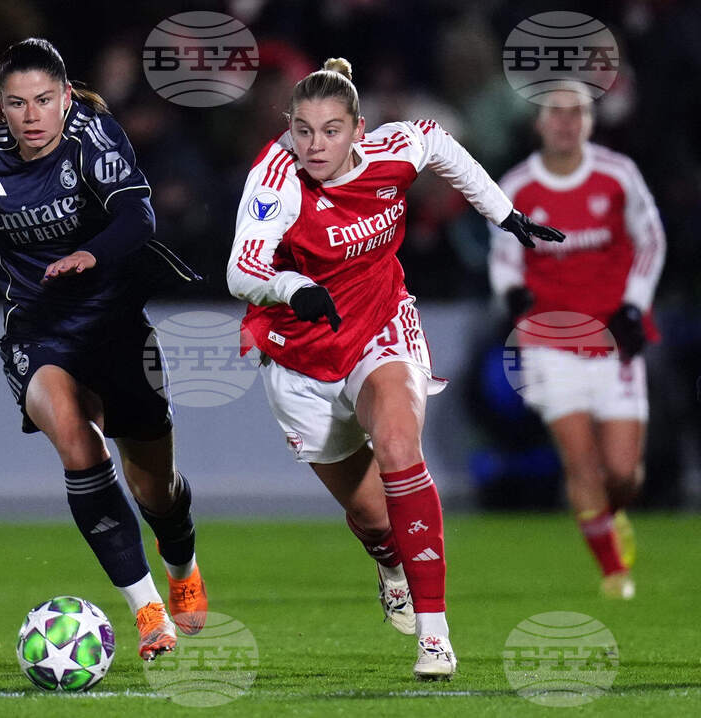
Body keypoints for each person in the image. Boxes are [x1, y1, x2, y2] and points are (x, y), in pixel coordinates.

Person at [227, 58, 563, 680]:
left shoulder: (395, 149)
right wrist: (292, 286)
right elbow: (240, 271)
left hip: (382, 328)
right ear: (289, 131)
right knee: (375, 517)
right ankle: (388, 562)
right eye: (302, 130)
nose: (315, 145)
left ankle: (434, 638)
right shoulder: (276, 181)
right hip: (302, 355)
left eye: (331, 130)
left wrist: (502, 213)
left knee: (401, 450)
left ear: (359, 129)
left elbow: (441, 145)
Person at [0, 38, 207, 661]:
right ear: (1, 107)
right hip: (37, 330)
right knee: (77, 442)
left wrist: (90, 254)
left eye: (45, 100)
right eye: (17, 103)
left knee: (156, 487)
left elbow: (139, 217)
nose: (32, 115)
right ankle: (150, 614)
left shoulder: (92, 142)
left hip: (115, 325)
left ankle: (181, 566)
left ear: (67, 98)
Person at [489, 87, 666, 600]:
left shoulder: (617, 175)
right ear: (539, 123)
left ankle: (614, 514)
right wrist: (514, 294)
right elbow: (503, 255)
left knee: (623, 472)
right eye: (556, 113)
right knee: (580, 461)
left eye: (577, 113)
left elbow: (651, 238)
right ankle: (613, 572)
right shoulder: (518, 186)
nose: (566, 123)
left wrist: (635, 303)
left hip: (616, 337)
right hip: (550, 338)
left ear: (590, 121)